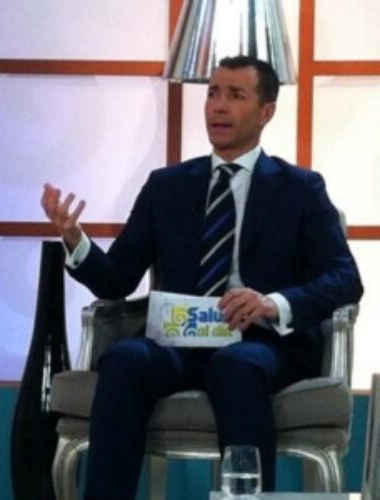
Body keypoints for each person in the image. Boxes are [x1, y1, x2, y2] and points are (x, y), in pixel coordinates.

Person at [41, 56, 363, 499]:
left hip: (262, 343)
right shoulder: (167, 186)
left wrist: (272, 303)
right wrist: (76, 241)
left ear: (266, 111)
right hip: (179, 341)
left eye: (236, 95)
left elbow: (345, 279)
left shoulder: (300, 189)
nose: (218, 106)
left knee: (237, 366)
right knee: (124, 359)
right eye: (213, 93)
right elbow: (117, 280)